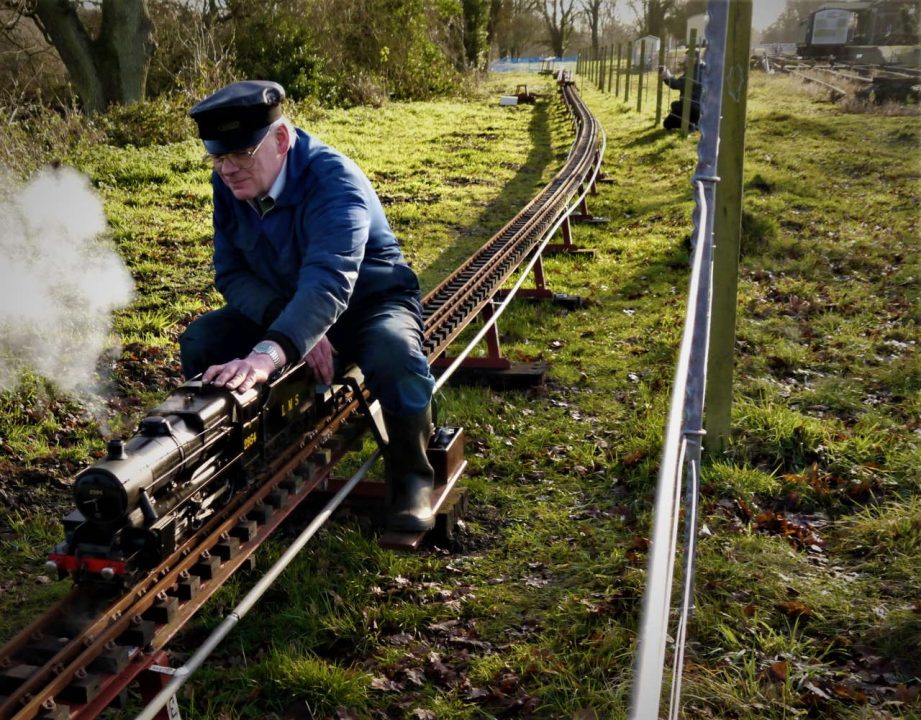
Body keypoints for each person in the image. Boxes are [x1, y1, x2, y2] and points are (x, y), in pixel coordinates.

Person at [181, 80, 437, 532]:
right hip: (289, 305)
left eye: (239, 153)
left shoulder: (334, 180)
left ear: (280, 139)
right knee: (203, 340)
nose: (226, 169)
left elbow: (331, 279)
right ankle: (238, 466)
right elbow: (231, 273)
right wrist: (290, 323)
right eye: (217, 157)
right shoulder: (229, 184)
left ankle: (412, 476)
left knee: (397, 355)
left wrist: (272, 350)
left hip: (367, 302)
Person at [659, 52, 705, 131]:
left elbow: (678, 84)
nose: (685, 60)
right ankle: (694, 123)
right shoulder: (701, 69)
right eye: (685, 58)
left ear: (695, 59)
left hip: (690, 107)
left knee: (667, 124)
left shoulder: (693, 72)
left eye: (687, 58)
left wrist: (666, 76)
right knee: (676, 107)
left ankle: (690, 125)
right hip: (701, 107)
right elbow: (682, 82)